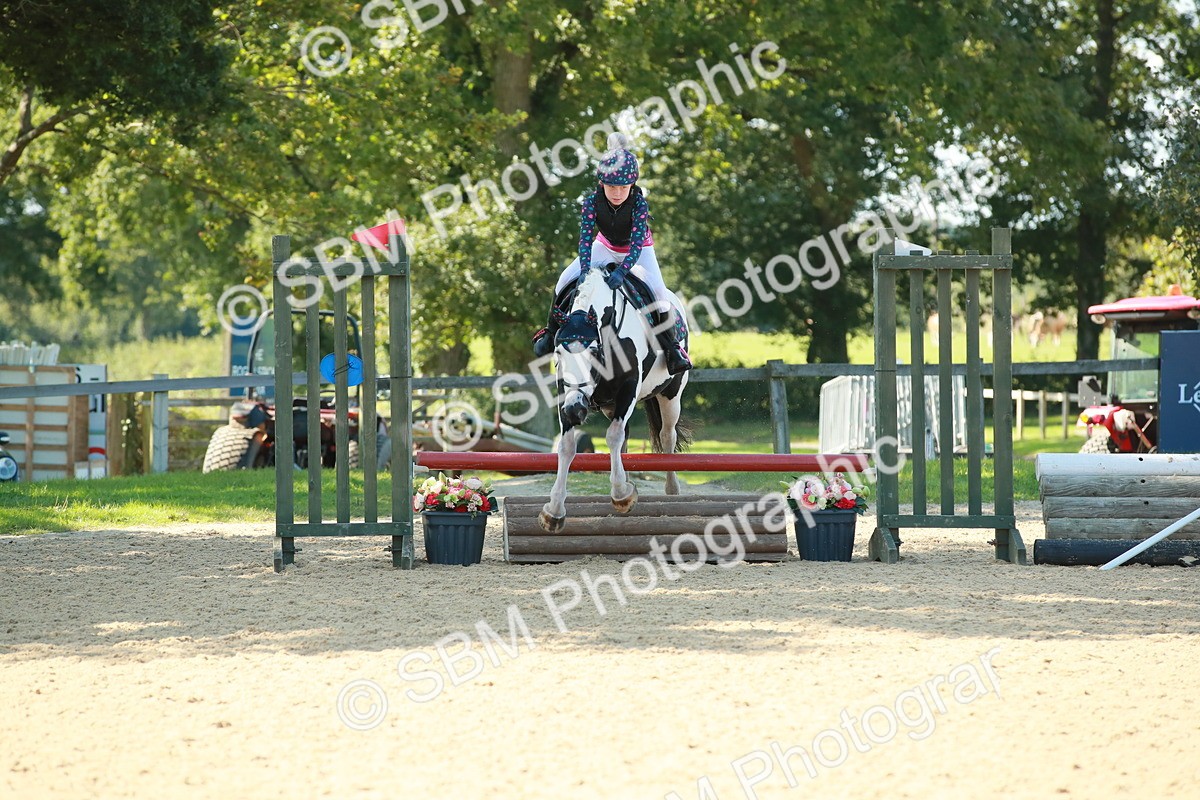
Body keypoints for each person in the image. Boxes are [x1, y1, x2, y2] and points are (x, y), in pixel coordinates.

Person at [531, 133, 692, 375]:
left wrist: (622, 272)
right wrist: (585, 270)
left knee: (659, 292)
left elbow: (636, 245)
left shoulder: (639, 204)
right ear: (601, 184)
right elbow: (585, 240)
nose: (617, 193)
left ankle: (672, 348)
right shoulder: (591, 202)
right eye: (611, 187)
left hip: (638, 251)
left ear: (632, 186)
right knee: (564, 279)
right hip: (604, 246)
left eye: (623, 188)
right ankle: (552, 331)